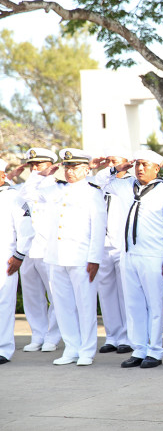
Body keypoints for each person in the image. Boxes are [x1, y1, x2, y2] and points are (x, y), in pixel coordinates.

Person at [20, 149, 107, 366]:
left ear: (87, 169)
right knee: (63, 305)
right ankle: (71, 347)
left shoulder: (93, 193)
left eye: (75, 167)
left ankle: (86, 350)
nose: (70, 171)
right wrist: (43, 173)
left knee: (85, 306)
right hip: (56, 257)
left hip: (81, 258)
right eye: (67, 166)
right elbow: (27, 193)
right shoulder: (55, 190)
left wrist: (95, 259)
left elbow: (98, 228)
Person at [96, 150, 163, 369]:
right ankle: (139, 349)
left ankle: (155, 351)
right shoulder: (126, 186)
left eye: (145, 165)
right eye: (137, 165)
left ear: (156, 168)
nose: (140, 168)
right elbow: (99, 182)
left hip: (153, 256)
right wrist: (118, 168)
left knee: (153, 304)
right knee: (133, 304)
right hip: (128, 254)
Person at [16, 148, 62, 353]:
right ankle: (38, 334)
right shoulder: (26, 187)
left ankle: (53, 336)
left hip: (48, 248)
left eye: (39, 164)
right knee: (32, 296)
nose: (35, 169)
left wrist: (43, 177)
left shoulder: (57, 188)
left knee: (55, 294)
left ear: (51, 164)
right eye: (31, 165)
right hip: (26, 248)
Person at [94, 150, 133, 355]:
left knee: (125, 293)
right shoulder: (101, 183)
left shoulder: (132, 183)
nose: (111, 164)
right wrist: (109, 168)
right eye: (109, 161)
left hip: (123, 244)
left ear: (127, 163)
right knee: (106, 293)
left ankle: (128, 336)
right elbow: (99, 177)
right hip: (103, 244)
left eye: (116, 161)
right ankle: (112, 336)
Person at [0, 159, 34, 365]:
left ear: (2, 175)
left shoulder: (14, 197)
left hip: (5, 257)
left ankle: (3, 348)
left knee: (4, 303)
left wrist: (20, 255)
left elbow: (26, 227)